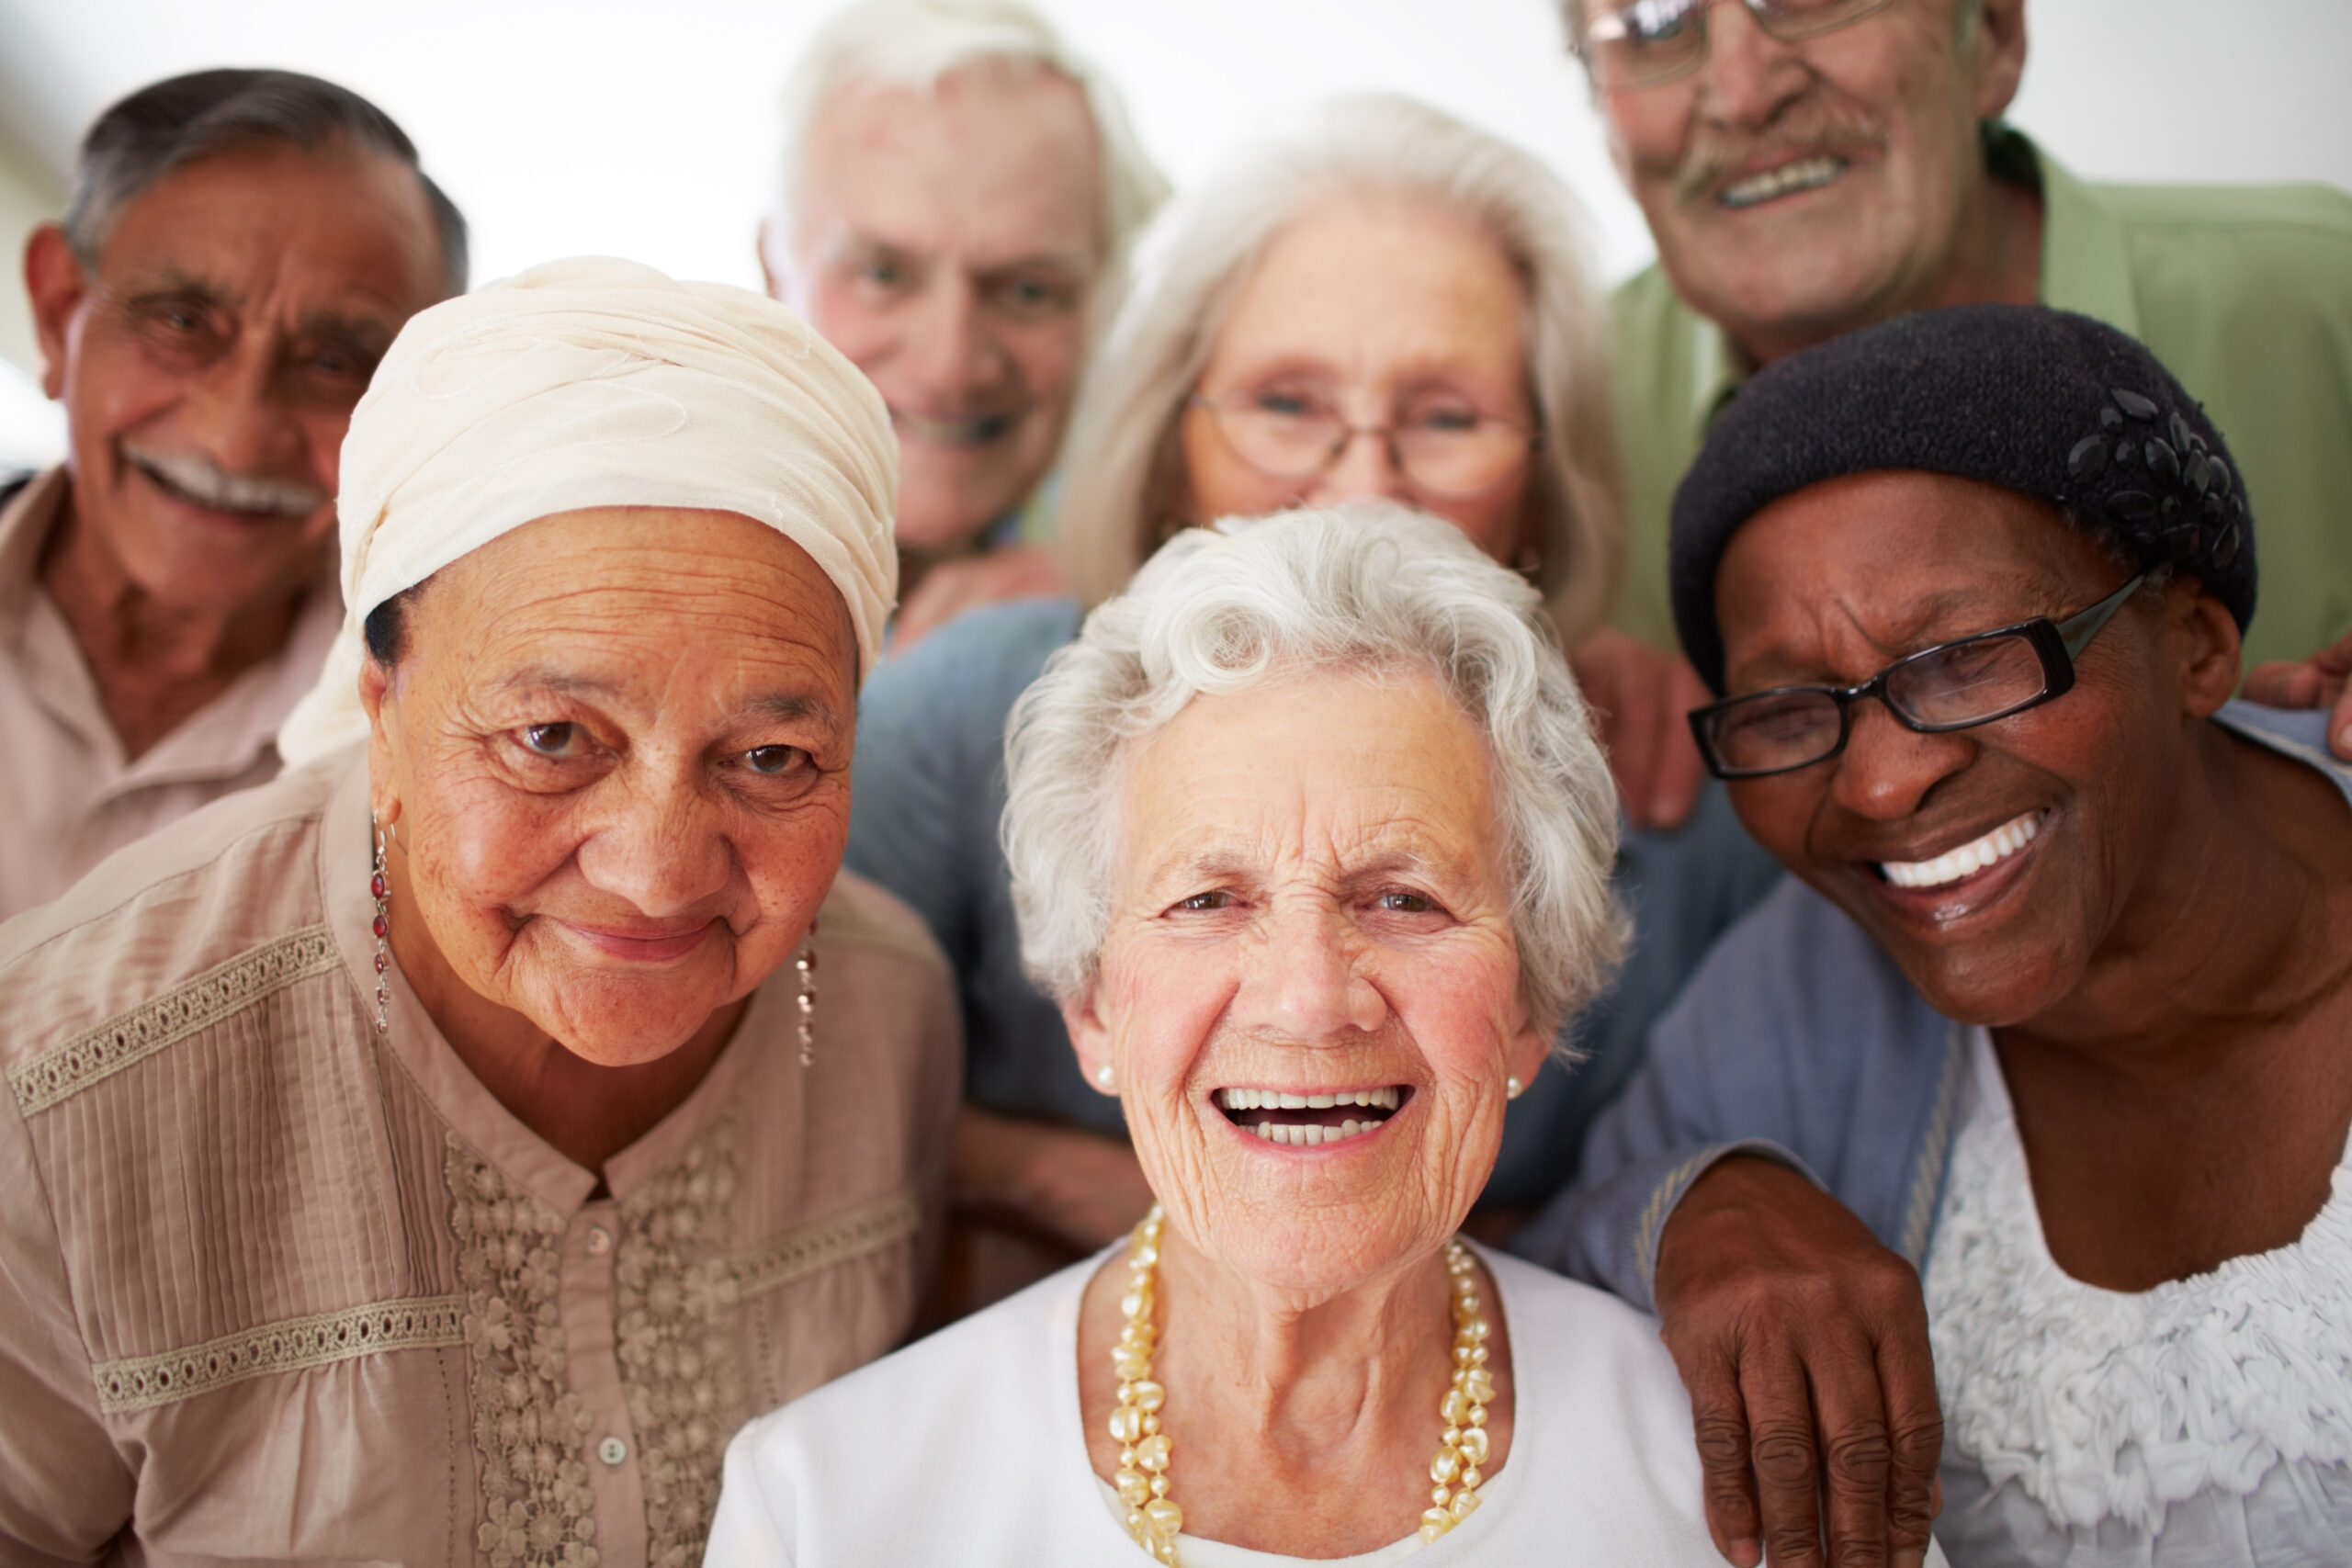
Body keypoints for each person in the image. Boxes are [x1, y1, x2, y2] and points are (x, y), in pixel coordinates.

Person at [0, 258, 960, 1564]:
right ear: (382, 710)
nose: (659, 871)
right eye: (554, 735)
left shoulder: (889, 1008)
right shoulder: (57, 1092)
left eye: (772, 756)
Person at [843, 95, 1782, 1309]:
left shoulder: (1671, 802)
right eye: (1288, 403)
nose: (1361, 486)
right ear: (1167, 440)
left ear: (1548, 485)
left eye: (1446, 418)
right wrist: (1114, 1187)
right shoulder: (965, 708)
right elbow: (796, 1082)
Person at [706, 505, 1766, 1564]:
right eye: (1209, 901)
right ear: (1092, 1007)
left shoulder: (1742, 1478)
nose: (1306, 999)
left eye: (1402, 899)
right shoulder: (830, 1506)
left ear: (1531, 1007)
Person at [1521, 304, 2352, 1566]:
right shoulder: (1798, 994)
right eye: (1793, 706)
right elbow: (1551, 1250)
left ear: (2196, 640)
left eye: (1966, 656)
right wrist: (1704, 1205)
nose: (1879, 784)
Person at [1565, 0, 2352, 774]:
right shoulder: (1542, 425)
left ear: (1996, 37)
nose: (1742, 92)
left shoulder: (2327, 290)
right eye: (1649, 21)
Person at [0, 68, 461, 922]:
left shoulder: (450, 740)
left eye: (331, 363)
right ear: (58, 307)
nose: (236, 437)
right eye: (180, 322)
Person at [761, 0, 1169, 649]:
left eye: (1029, 291)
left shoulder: (1168, 576)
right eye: (882, 275)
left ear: (1110, 305)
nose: (949, 364)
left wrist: (1125, 600)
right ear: (774, 273)